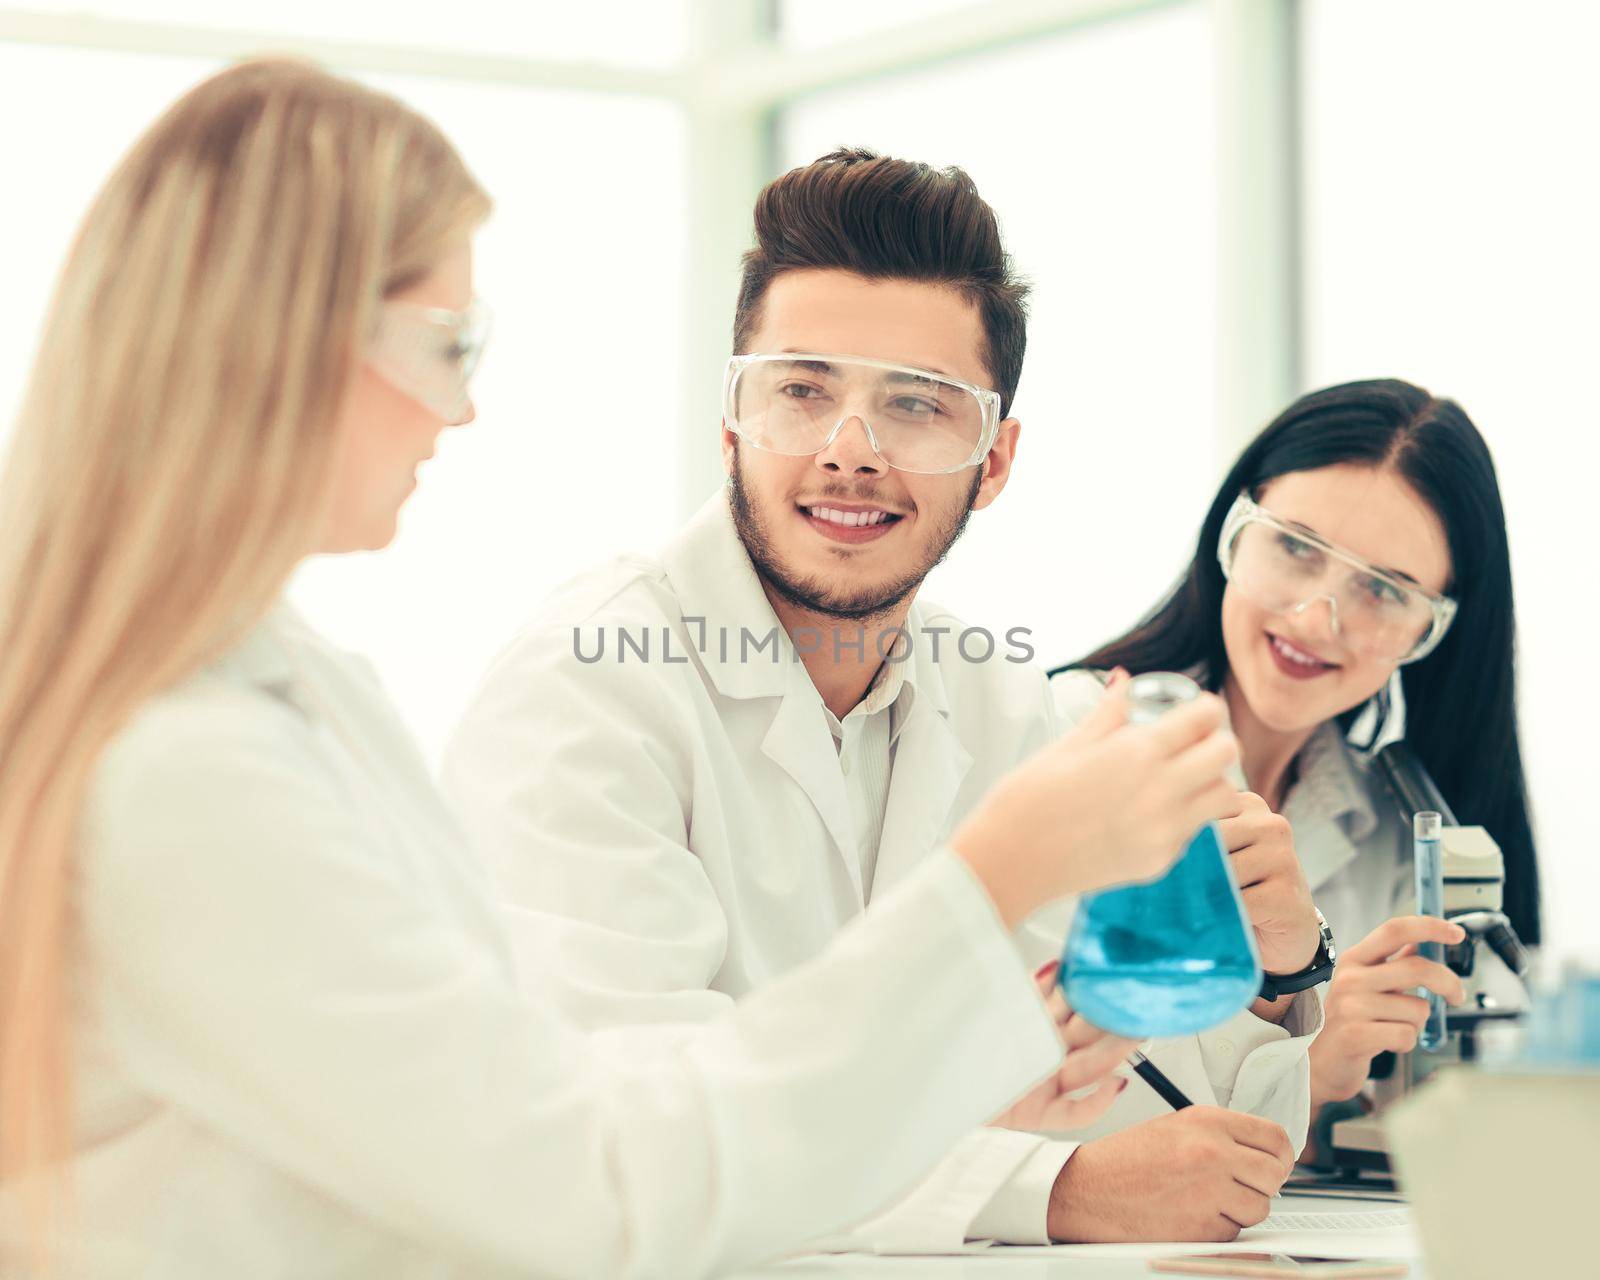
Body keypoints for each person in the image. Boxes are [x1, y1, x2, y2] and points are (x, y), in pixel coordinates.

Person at [0, 60, 1245, 1278]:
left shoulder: (287, 686)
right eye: (451, 342)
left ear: (997, 454)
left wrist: (957, 1062)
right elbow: (596, 1188)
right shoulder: (192, 767)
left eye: (916, 405)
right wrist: (993, 882)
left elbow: (534, 1097)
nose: (462, 410)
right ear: (285, 345)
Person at [442, 149, 1319, 1249]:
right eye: (802, 391)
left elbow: (1165, 1105)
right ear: (731, 422)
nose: (848, 452)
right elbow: (632, 1128)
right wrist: (1043, 1191)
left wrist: (1284, 963)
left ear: (994, 461)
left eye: (917, 405)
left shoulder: (1007, 704)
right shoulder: (587, 685)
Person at [1052, 378, 1540, 1139]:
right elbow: (1068, 1113)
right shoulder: (1072, 736)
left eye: (1384, 590)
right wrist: (1311, 1067)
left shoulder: (1397, 841)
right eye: (1295, 547)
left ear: (1431, 632)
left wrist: (1357, 1078)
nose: (1317, 618)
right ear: (1234, 532)